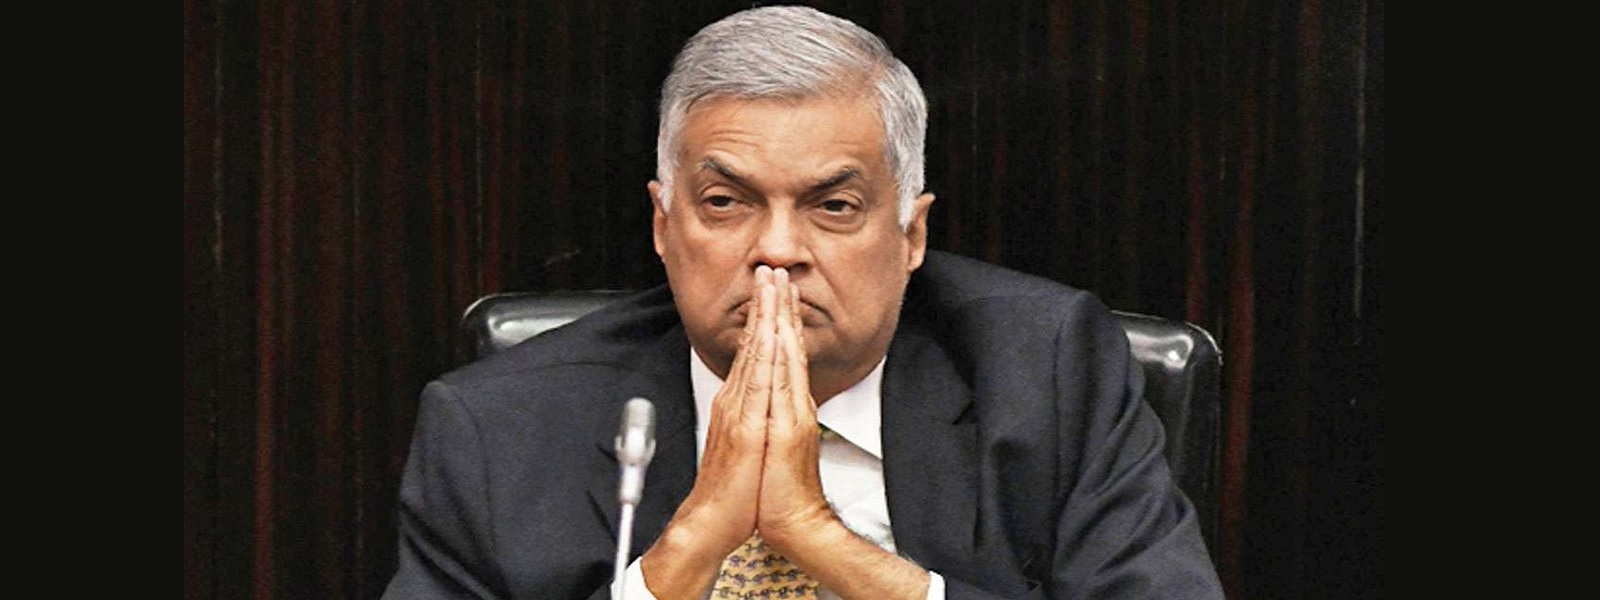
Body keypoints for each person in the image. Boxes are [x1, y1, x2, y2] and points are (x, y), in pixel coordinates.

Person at [382, 6, 1222, 600]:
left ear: (911, 235)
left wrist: (817, 537)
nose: (778, 249)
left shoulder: (1047, 375)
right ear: (664, 226)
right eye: (726, 203)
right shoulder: (496, 429)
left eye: (834, 206)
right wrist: (691, 546)